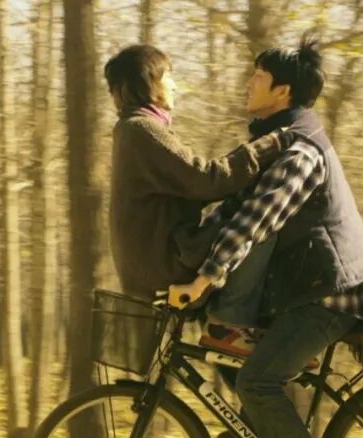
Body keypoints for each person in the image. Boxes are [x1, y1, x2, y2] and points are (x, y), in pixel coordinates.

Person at [169, 36, 363, 438]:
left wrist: (205, 278)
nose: (248, 83)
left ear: (283, 91)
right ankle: (263, 426)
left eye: (259, 76)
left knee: (257, 383)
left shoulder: (301, 150)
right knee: (223, 340)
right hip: (308, 288)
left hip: (330, 297)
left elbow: (257, 219)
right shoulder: (280, 139)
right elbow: (235, 210)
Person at [104, 44, 294, 310]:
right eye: (169, 76)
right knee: (260, 222)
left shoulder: (130, 130)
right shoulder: (142, 130)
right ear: (148, 83)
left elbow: (194, 183)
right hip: (169, 268)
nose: (175, 86)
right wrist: (270, 145)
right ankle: (240, 321)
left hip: (153, 268)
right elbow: (208, 180)